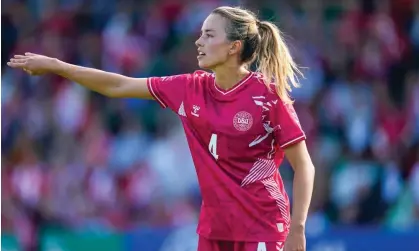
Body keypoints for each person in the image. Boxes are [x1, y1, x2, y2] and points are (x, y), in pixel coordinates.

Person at [8, 6, 315, 251]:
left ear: (234, 47)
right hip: (214, 230)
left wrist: (297, 228)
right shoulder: (189, 87)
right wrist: (59, 66)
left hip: (262, 225)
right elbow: (119, 85)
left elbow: (303, 166)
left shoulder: (267, 96)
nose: (199, 41)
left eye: (209, 35)